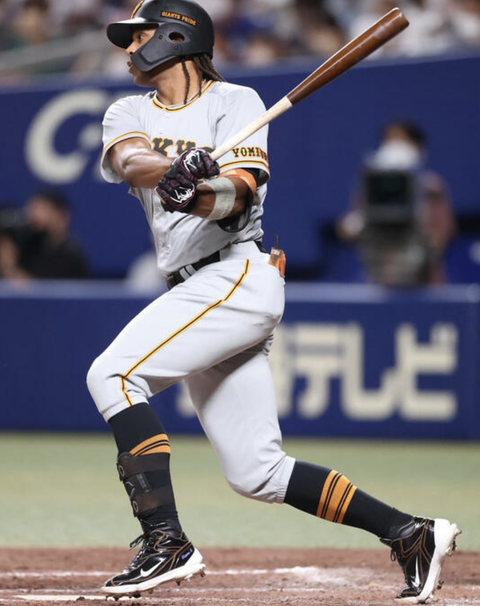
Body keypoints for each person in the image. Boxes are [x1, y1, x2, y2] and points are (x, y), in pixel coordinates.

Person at [87, 1, 460, 602]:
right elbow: (131, 161)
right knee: (257, 472)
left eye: (139, 36)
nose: (128, 49)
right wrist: (172, 169)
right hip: (193, 288)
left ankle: (165, 542)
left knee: (112, 375)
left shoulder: (237, 103)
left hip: (234, 273)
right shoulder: (126, 110)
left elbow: (236, 196)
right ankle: (410, 533)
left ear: (176, 37)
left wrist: (198, 190)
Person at [337, 121, 456, 286]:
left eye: (402, 141)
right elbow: (348, 229)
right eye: (389, 141)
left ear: (418, 147)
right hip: (378, 279)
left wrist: (420, 229)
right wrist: (356, 223)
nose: (394, 147)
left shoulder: (431, 188)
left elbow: (440, 238)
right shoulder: (371, 187)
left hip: (423, 282)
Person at [0, 189, 88, 280]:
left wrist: (10, 268)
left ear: (62, 215)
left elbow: (43, 286)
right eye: (32, 209)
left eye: (42, 209)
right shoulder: (30, 243)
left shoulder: (70, 254)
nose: (34, 215)